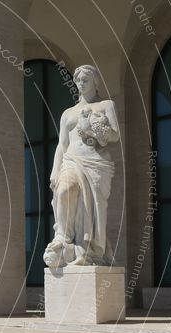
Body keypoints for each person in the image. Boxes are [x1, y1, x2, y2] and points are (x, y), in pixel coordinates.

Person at [44, 64, 120, 268]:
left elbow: (114, 135)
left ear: (95, 82)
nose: (81, 83)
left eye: (86, 79)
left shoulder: (106, 105)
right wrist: (54, 170)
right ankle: (62, 238)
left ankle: (91, 249)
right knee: (64, 190)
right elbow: (62, 144)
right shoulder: (68, 113)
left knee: (92, 208)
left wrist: (93, 130)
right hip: (71, 160)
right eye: (78, 80)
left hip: (95, 163)